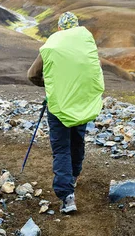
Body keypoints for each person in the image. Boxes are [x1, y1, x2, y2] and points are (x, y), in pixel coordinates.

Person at [27, 12, 104, 214]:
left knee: (61, 148)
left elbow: (32, 75)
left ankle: (67, 197)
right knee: (77, 141)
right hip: (81, 103)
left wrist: (53, 86)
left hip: (58, 106)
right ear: (77, 27)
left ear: (60, 28)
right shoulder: (86, 45)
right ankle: (74, 176)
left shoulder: (53, 46)